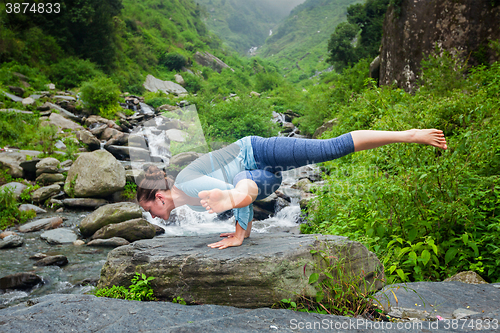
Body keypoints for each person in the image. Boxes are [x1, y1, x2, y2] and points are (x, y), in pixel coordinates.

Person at [137, 129, 447, 250]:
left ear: (159, 196)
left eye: (149, 209)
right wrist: (241, 233)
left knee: (330, 147)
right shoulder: (188, 204)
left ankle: (410, 134)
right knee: (243, 185)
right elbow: (246, 192)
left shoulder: (189, 182)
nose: (152, 215)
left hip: (260, 152)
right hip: (261, 179)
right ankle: (236, 207)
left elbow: (237, 190)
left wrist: (238, 230)